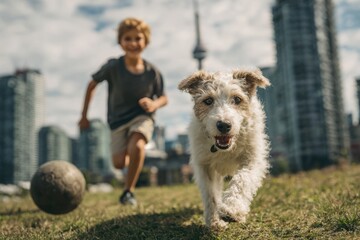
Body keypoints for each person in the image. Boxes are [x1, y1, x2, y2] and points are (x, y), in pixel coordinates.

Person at [78, 17, 168, 206]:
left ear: (146, 42)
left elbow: (164, 97)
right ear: (120, 42)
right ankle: (129, 155)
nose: (133, 43)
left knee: (137, 146)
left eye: (138, 38)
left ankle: (128, 192)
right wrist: (84, 116)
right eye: (128, 38)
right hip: (117, 121)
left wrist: (154, 105)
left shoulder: (153, 72)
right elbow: (91, 85)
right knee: (119, 163)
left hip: (142, 117)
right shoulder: (113, 66)